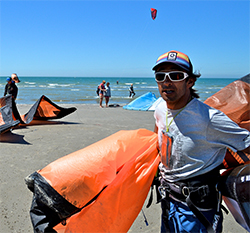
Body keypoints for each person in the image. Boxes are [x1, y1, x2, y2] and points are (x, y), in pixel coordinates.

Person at [152, 50, 250, 233]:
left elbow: (247, 144)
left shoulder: (209, 119)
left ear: (190, 81)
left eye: (175, 75)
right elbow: (158, 134)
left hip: (197, 209)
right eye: (160, 76)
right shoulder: (159, 108)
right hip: (168, 202)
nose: (167, 81)